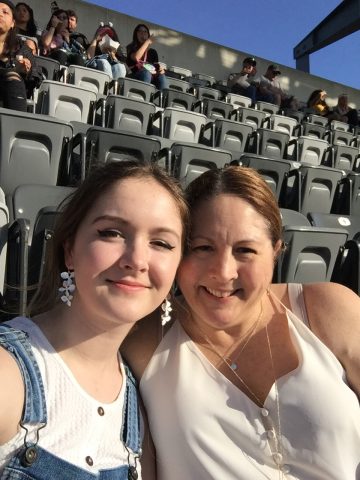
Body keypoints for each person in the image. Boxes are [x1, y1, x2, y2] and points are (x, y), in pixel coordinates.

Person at [123, 166, 360, 479]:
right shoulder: (143, 337)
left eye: (245, 250)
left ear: (275, 252)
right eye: (203, 248)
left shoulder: (328, 308)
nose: (223, 272)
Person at [0, 161, 188, 479]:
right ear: (70, 249)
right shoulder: (8, 373)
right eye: (112, 233)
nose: (137, 261)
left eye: (161, 243)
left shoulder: (143, 413)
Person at [0, 0, 36, 111]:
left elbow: (36, 73)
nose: (0, 14)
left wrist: (25, 70)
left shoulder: (20, 47)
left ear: (12, 23)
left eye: (5, 12)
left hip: (10, 89)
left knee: (14, 79)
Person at [126, 23, 167, 90]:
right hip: (135, 75)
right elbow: (136, 57)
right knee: (146, 73)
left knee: (162, 77)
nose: (143, 33)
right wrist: (147, 42)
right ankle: (143, 96)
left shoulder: (153, 52)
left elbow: (154, 68)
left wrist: (160, 70)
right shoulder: (131, 47)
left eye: (145, 32)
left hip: (150, 75)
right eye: (140, 31)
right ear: (136, 34)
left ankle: (163, 98)